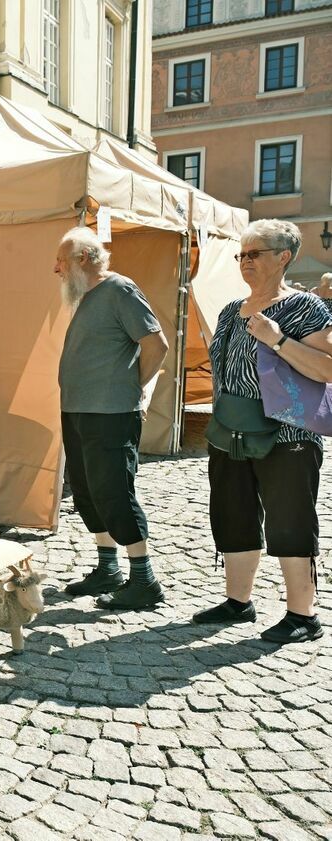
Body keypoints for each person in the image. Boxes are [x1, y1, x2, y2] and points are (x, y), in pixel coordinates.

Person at [193, 220, 331, 644]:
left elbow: (327, 369)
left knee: (290, 521)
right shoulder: (229, 310)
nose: (245, 261)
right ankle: (238, 602)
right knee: (233, 515)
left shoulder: (307, 309)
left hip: (287, 435)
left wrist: (278, 340)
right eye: (242, 254)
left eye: (254, 254)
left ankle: (302, 615)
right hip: (231, 430)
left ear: (284, 257)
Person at [55, 227, 169, 610]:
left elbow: (156, 344)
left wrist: (129, 386)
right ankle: (108, 569)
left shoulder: (119, 289)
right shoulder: (87, 297)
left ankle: (144, 580)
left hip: (112, 412)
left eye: (61, 260)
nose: (56, 269)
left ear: (83, 259)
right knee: (86, 490)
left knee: (115, 491)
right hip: (79, 410)